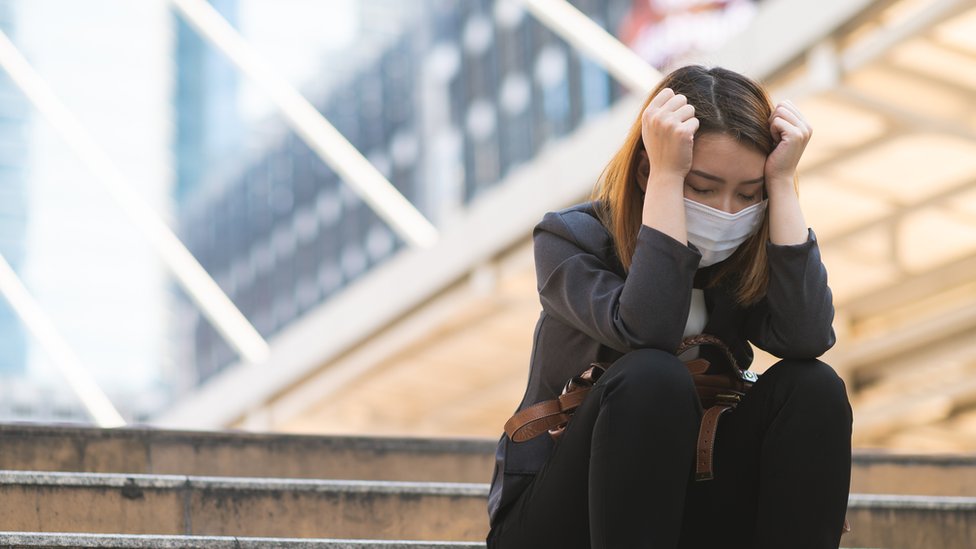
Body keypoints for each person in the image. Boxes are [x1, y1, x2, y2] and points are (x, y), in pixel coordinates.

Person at [486, 65, 853, 549]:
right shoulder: (570, 240)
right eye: (701, 187)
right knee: (651, 375)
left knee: (814, 386)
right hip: (562, 514)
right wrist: (666, 178)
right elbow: (648, 331)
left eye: (748, 193)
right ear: (646, 168)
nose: (726, 212)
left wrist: (782, 183)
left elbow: (807, 336)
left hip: (690, 506)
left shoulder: (743, 253)